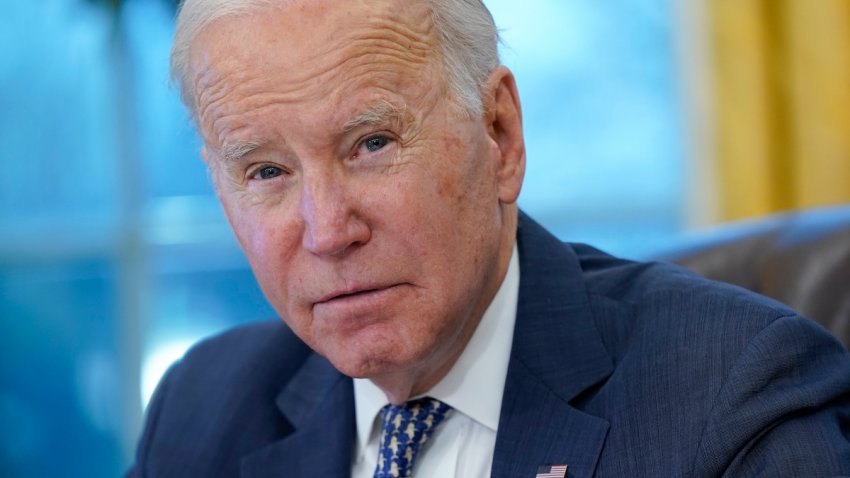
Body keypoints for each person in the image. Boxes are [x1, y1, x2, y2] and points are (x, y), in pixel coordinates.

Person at [128, 0, 850, 476]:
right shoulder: (201, 412)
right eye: (266, 171)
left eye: (371, 143)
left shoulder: (733, 395)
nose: (327, 231)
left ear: (500, 134)